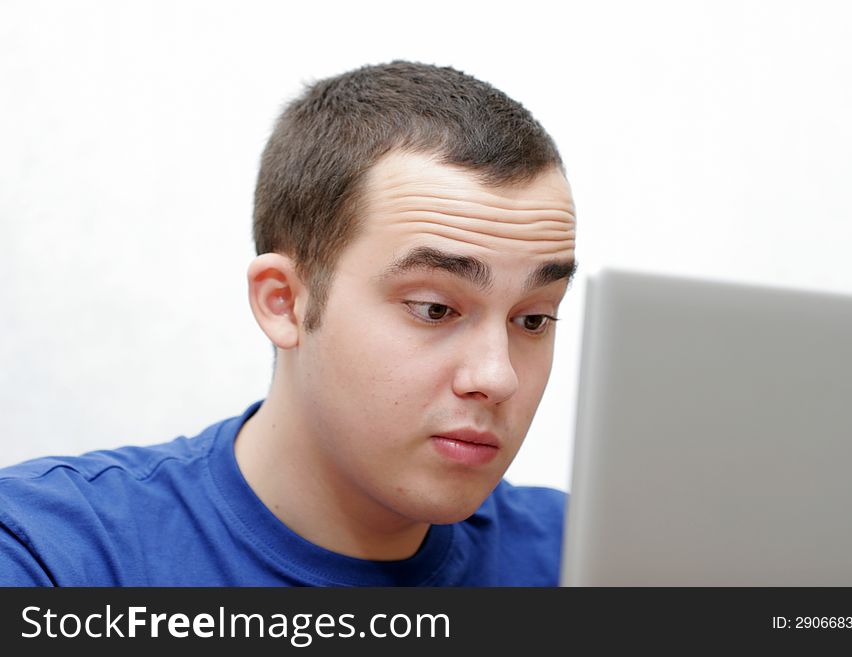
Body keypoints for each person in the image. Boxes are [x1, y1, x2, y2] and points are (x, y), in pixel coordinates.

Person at [0, 61, 577, 586]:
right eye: (434, 309)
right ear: (284, 302)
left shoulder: (584, 561)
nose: (497, 378)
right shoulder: (52, 556)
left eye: (533, 319)